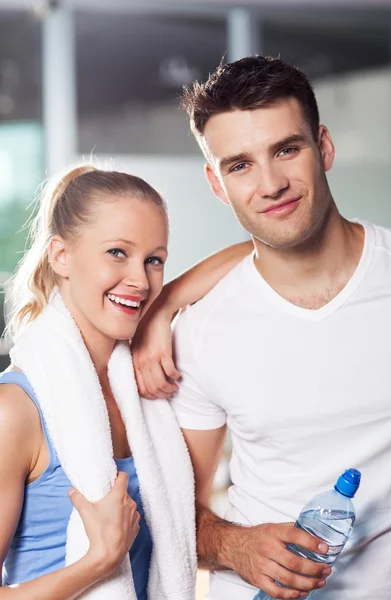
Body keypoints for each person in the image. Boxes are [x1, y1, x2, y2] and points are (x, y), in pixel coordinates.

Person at [131, 56, 391, 600]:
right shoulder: (199, 330)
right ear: (217, 184)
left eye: (286, 149)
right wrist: (234, 545)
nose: (271, 184)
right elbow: (170, 509)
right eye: (239, 165)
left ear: (324, 148)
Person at [0, 164, 253, 600]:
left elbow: (265, 251)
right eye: (117, 252)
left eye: (154, 259)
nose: (140, 280)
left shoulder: (141, 387)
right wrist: (97, 562)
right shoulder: (16, 410)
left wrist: (166, 304)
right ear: (61, 256)